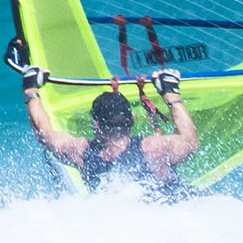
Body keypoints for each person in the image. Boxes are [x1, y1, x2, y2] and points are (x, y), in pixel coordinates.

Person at [19, 65, 199, 186]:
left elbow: (44, 133)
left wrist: (31, 89)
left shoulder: (80, 152)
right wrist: (170, 93)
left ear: (95, 124)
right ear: (132, 119)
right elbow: (190, 141)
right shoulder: (153, 149)